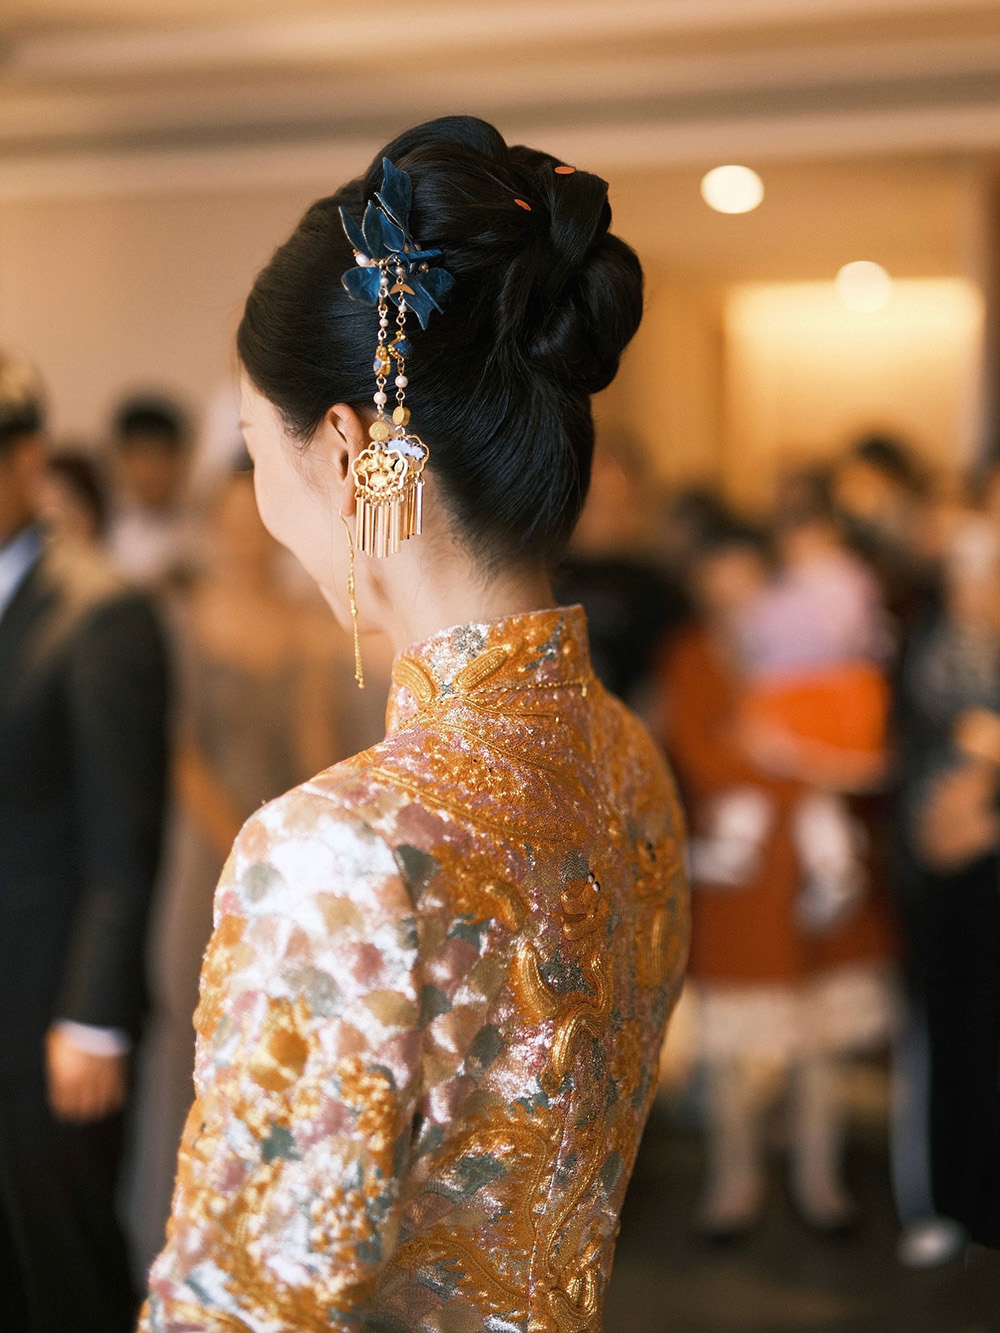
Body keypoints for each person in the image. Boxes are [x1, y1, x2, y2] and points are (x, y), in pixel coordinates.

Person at [141, 116, 689, 1331]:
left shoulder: (340, 852)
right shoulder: (628, 759)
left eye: (257, 449)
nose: (264, 501)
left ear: (350, 453)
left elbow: (242, 1307)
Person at [127, 463, 340, 1272]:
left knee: (276, 1035)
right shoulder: (178, 617)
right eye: (230, 516)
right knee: (191, 1029)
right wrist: (241, 840)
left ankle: (256, 1251)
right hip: (201, 853)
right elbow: (175, 749)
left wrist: (310, 841)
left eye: (257, 515)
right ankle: (171, 1242)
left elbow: (316, 745)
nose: (245, 531)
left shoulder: (307, 622)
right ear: (211, 524)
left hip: (279, 843)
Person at [659, 522, 894, 1238]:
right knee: (736, 1051)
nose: (734, 599)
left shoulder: (811, 644)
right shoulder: (692, 655)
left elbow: (849, 744)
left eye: (747, 583)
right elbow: (700, 756)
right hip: (741, 879)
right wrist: (791, 764)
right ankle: (734, 1183)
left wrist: (773, 755)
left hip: (816, 873)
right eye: (718, 585)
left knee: (822, 1042)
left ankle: (820, 1183)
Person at [0, 353, 170, 1332]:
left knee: (64, 1261)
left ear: (26, 460)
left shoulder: (101, 609)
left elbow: (124, 839)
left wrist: (94, 1018)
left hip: (51, 1008)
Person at [895, 514, 1000, 1252]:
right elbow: (941, 807)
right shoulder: (942, 651)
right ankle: (951, 1202)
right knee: (957, 1036)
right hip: (955, 882)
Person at [106, 393, 200, 591]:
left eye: (160, 456)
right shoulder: (102, 525)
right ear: (121, 458)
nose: (149, 471)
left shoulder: (204, 527)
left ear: (180, 460)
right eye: (140, 456)